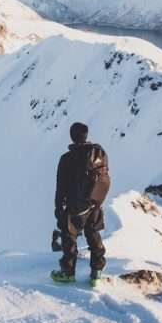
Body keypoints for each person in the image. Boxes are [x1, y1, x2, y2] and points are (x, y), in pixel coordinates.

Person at [51, 122, 111, 287]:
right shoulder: (97, 154)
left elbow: (60, 186)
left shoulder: (67, 159)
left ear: (72, 136)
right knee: (93, 234)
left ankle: (68, 272)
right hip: (94, 203)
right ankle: (96, 273)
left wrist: (58, 208)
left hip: (75, 207)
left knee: (69, 236)